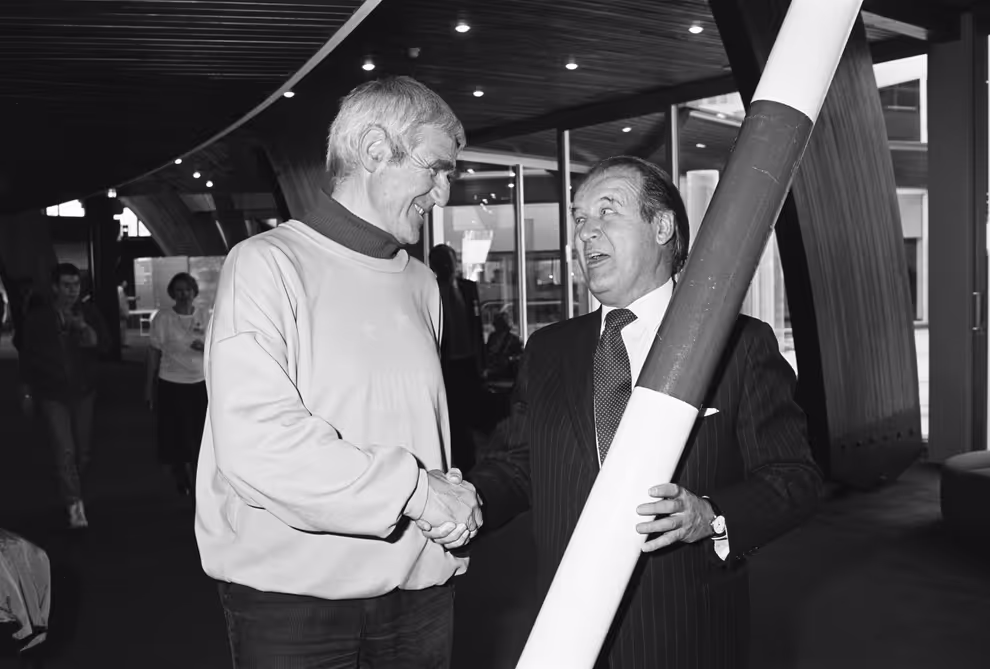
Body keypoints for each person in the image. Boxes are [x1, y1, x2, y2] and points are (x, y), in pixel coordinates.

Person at [426, 156, 824, 669]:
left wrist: (711, 514)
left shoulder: (736, 345)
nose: (585, 233)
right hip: (566, 632)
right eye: (579, 218)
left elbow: (795, 477)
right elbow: (520, 462)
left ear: (662, 227)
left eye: (607, 212)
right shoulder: (548, 349)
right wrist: (468, 497)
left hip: (684, 632)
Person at [195, 76, 483, 668]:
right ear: (375, 149)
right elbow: (258, 446)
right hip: (295, 603)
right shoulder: (266, 263)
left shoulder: (421, 282)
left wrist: (443, 495)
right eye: (436, 168)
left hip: (422, 590)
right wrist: (420, 491)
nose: (443, 192)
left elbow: (411, 425)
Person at [19, 263, 110, 529]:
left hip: (83, 392)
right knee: (65, 450)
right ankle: (74, 504)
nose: (73, 291)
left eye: (76, 285)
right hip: (52, 394)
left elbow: (103, 345)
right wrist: (25, 389)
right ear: (55, 287)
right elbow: (27, 356)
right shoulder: (38, 318)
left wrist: (82, 328)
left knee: (83, 452)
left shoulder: (89, 312)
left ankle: (73, 487)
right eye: (67, 285)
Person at [145, 273, 209, 497]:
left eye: (188, 290)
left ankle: (200, 472)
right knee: (177, 431)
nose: (184, 294)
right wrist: (148, 386)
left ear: (194, 292)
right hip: (171, 382)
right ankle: (180, 472)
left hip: (200, 382)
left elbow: (216, 345)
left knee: (201, 431)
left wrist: (205, 347)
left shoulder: (204, 314)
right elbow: (154, 352)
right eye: (179, 290)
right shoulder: (163, 318)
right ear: (173, 293)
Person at [428, 243, 485, 473]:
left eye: (449, 260)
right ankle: (459, 461)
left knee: (473, 411)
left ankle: (474, 459)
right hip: (447, 365)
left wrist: (483, 362)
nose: (446, 266)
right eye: (441, 262)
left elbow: (477, 326)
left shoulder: (468, 288)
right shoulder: (430, 290)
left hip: (469, 361)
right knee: (454, 417)